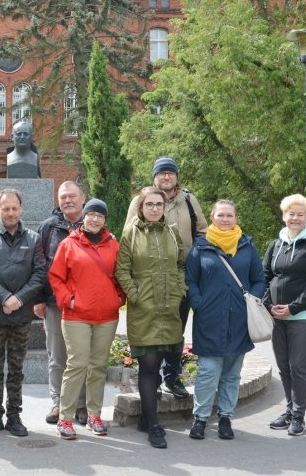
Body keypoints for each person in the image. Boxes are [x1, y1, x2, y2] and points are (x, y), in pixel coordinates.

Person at [124, 156, 207, 399]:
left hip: (179, 277)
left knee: (176, 329)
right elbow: (128, 236)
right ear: (154, 177)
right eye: (161, 173)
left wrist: (194, 261)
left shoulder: (189, 200)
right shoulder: (140, 202)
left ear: (177, 177)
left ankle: (172, 375)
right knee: (149, 333)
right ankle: (154, 380)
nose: (166, 176)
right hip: (148, 281)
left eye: (170, 172)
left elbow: (202, 231)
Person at [185, 199, 266, 441]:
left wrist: (252, 300)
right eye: (220, 215)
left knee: (232, 373)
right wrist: (199, 303)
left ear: (236, 218)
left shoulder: (247, 246)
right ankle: (200, 418)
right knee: (208, 372)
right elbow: (190, 281)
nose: (225, 219)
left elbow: (259, 279)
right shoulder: (200, 247)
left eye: (229, 215)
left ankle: (225, 418)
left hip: (239, 320)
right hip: (209, 320)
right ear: (212, 217)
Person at [48, 199, 125, 440]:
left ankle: (94, 415)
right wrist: (68, 300)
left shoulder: (114, 245)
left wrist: (118, 298)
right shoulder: (69, 244)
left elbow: (121, 274)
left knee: (98, 366)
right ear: (84, 217)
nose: (95, 219)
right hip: (76, 315)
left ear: (105, 220)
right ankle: (65, 417)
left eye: (100, 216)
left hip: (107, 316)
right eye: (91, 214)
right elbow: (56, 277)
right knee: (77, 364)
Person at [116, 187, 185, 449]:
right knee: (148, 365)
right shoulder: (131, 233)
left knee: (164, 361)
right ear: (141, 207)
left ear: (164, 207)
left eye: (159, 204)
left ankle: (147, 418)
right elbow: (122, 269)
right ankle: (154, 426)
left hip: (169, 307)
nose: (155, 208)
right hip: (143, 309)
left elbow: (180, 264)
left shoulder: (172, 231)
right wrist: (136, 295)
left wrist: (180, 290)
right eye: (150, 205)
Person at [0, 188, 46, 437]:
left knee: (16, 367)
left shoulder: (34, 239)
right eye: (6, 208)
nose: (11, 213)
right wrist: (4, 297)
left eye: (15, 208)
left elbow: (40, 273)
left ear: (21, 209)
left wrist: (18, 299)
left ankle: (14, 415)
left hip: (21, 315)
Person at [263, 194, 306, 436]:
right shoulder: (275, 244)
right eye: (291, 213)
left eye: (300, 214)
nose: (295, 218)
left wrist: (293, 307)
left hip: (303, 317)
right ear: (283, 215)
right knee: (283, 367)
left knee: (299, 366)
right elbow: (265, 276)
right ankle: (289, 411)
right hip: (276, 317)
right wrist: (269, 304)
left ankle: (299, 417)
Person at [35, 181, 88, 425]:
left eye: (72, 196)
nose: (67, 200)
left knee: (82, 355)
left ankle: (81, 404)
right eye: (63, 197)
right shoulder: (49, 227)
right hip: (56, 303)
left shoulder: (93, 224)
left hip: (87, 304)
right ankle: (57, 402)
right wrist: (39, 299)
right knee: (57, 355)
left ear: (83, 198)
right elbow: (40, 266)